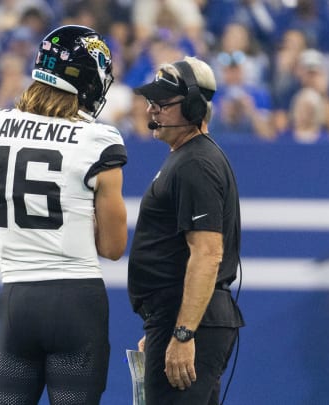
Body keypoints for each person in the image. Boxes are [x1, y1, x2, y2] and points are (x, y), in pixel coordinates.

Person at [0, 25, 127, 405]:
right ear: (89, 81)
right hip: (76, 300)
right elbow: (113, 245)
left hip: (16, 301)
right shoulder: (97, 141)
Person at [128, 56, 244, 404]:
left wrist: (182, 332)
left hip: (194, 319)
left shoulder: (196, 162)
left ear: (194, 108)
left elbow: (207, 254)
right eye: (152, 102)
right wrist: (166, 327)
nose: (152, 111)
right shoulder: (188, 158)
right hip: (183, 317)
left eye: (163, 104)